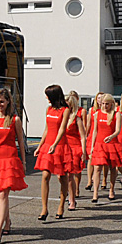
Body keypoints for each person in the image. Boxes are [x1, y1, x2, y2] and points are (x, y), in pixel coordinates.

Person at [0, 88, 27, 244]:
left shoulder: (14, 119)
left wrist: (23, 160)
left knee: (3, 196)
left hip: (9, 160)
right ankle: (7, 222)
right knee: (0, 195)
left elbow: (21, 142)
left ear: (8, 102)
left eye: (2, 101)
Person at [33, 84, 72, 219]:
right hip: (48, 145)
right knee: (45, 176)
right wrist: (39, 146)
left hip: (59, 146)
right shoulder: (49, 109)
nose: (46, 98)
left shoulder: (65, 110)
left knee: (62, 177)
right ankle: (44, 209)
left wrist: (55, 144)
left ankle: (61, 205)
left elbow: (62, 129)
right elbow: (46, 129)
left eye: (48, 95)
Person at [89, 94, 122, 202]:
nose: (105, 106)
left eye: (107, 104)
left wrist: (111, 136)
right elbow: (95, 131)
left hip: (112, 144)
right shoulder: (97, 114)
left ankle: (111, 189)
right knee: (97, 168)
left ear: (111, 104)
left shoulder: (116, 114)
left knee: (112, 168)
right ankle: (95, 193)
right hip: (99, 144)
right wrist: (92, 146)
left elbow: (118, 130)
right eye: (103, 104)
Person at [64, 91, 87, 210]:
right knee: (60, 176)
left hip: (74, 148)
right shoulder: (61, 117)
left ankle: (72, 200)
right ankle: (66, 193)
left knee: (69, 175)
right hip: (62, 147)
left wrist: (83, 151)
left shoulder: (76, 118)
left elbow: (83, 136)